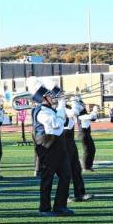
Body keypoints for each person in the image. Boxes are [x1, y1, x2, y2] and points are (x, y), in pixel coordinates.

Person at [30, 80, 73, 216]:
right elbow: (56, 124)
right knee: (47, 178)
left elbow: (65, 122)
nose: (52, 97)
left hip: (59, 144)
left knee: (66, 175)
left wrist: (62, 108)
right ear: (42, 98)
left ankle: (60, 206)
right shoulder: (41, 111)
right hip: (47, 146)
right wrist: (61, 106)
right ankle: (44, 208)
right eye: (49, 95)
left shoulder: (51, 110)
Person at [64, 104, 93, 202]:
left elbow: (76, 115)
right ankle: (65, 196)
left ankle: (80, 194)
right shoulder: (59, 111)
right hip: (62, 144)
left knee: (77, 170)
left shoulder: (67, 110)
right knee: (65, 172)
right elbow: (71, 115)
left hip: (71, 144)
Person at [74, 100, 99, 173]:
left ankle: (88, 166)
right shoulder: (81, 115)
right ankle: (85, 166)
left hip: (87, 133)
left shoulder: (84, 114)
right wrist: (94, 111)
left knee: (92, 149)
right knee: (87, 150)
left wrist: (95, 112)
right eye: (83, 105)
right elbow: (90, 116)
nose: (84, 106)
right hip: (83, 134)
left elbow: (93, 118)